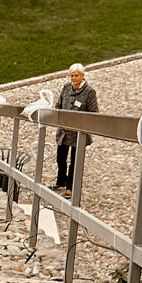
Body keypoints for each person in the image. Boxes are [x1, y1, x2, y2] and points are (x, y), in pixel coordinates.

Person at [54, 62, 99, 195]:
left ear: (82, 76)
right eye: (71, 75)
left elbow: (94, 112)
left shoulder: (89, 91)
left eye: (76, 75)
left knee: (75, 162)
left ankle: (70, 187)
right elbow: (59, 104)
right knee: (60, 158)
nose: (73, 78)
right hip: (64, 131)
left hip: (78, 133)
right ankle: (61, 180)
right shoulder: (66, 87)